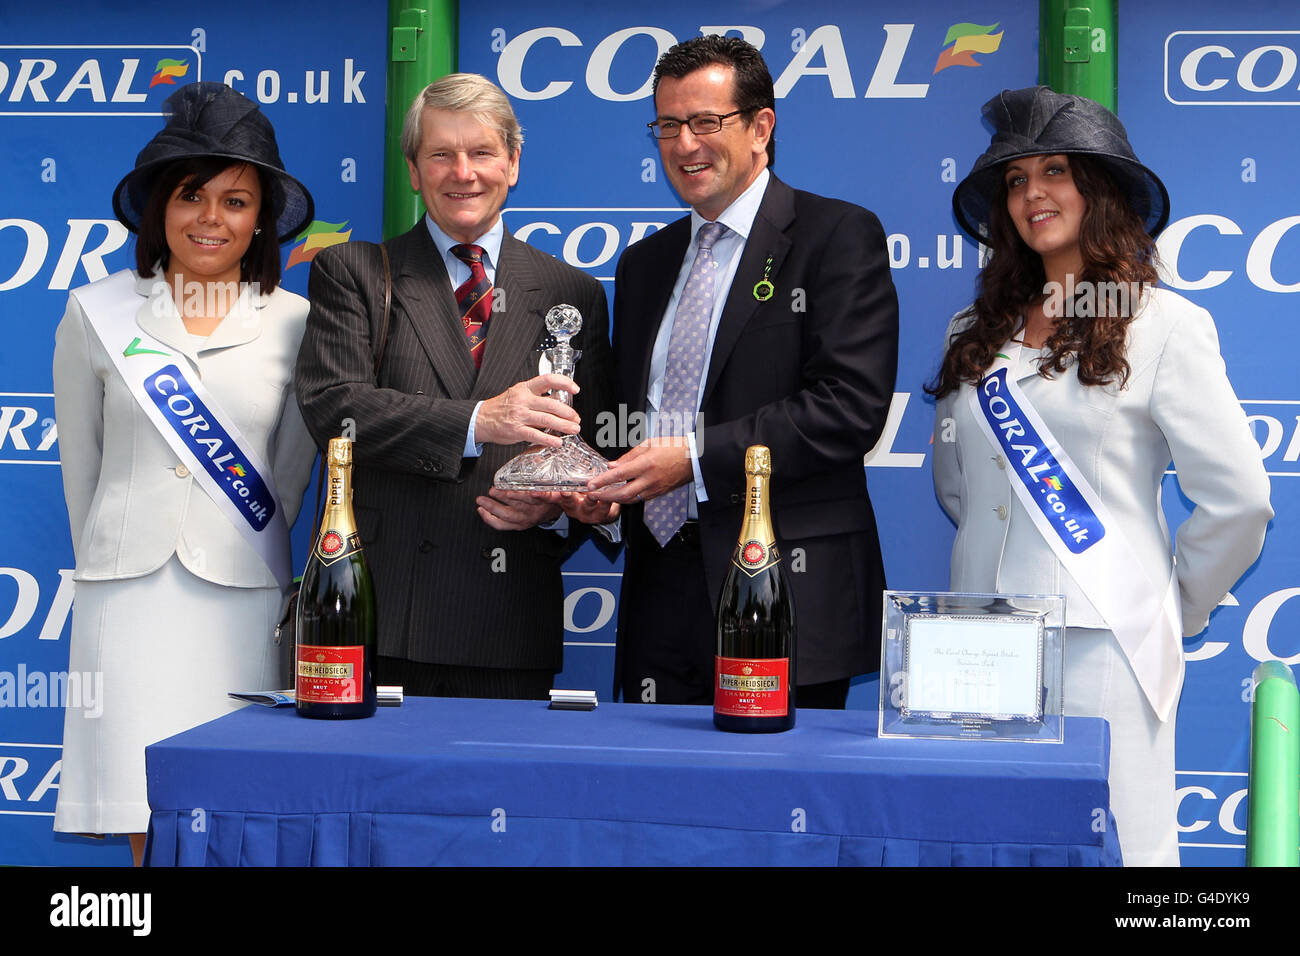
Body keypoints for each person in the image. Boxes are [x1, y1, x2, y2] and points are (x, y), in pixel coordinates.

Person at [931, 86, 1272, 866]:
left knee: (1118, 845)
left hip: (1104, 641)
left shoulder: (1165, 325)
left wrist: (1170, 607)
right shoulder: (971, 332)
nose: (1032, 194)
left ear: (1102, 188)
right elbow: (959, 487)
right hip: (975, 642)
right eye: (1015, 180)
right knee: (985, 844)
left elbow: (1241, 499)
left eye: (1055, 171)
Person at [586, 36, 899, 709]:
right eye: (668, 125)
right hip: (658, 588)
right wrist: (599, 487)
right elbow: (626, 420)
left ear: (762, 127)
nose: (685, 144)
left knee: (777, 800)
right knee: (659, 802)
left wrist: (693, 459)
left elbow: (848, 408)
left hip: (782, 585)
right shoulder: (644, 265)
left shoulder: (835, 236)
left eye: (706, 121)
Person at [52, 82, 318, 864]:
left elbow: (291, 479)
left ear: (262, 216)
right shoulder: (93, 312)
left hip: (239, 593)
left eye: (235, 201)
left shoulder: (298, 323)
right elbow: (82, 471)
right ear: (157, 208)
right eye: (191, 195)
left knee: (232, 801)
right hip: (127, 596)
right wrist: (114, 555)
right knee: (142, 800)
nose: (211, 217)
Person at [295, 73, 614, 701]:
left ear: (513, 163)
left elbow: (591, 448)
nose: (462, 172)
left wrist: (560, 508)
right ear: (414, 169)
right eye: (441, 153)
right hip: (379, 620)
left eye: (482, 152)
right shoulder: (355, 272)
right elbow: (335, 410)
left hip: (510, 621)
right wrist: (479, 421)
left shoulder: (572, 293)